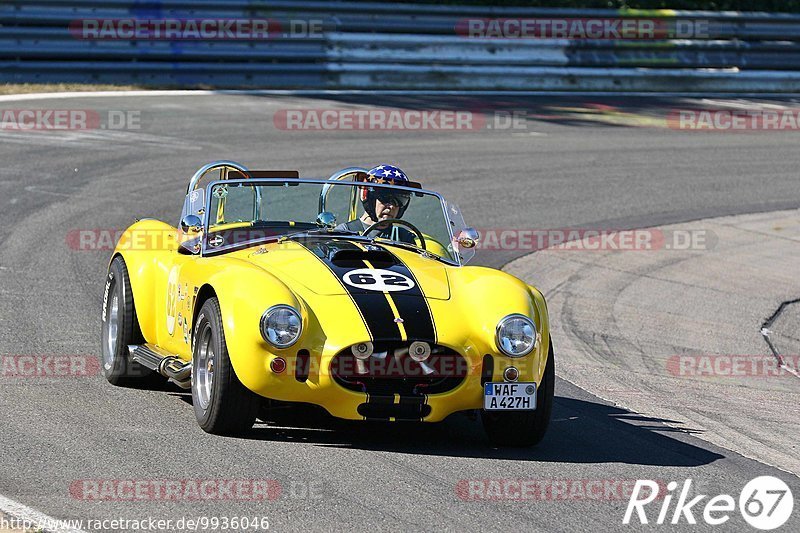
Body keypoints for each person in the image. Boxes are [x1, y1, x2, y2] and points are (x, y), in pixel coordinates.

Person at [336, 164, 416, 244]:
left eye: (398, 201)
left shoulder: (404, 238)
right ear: (370, 199)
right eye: (385, 198)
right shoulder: (345, 233)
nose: (391, 206)